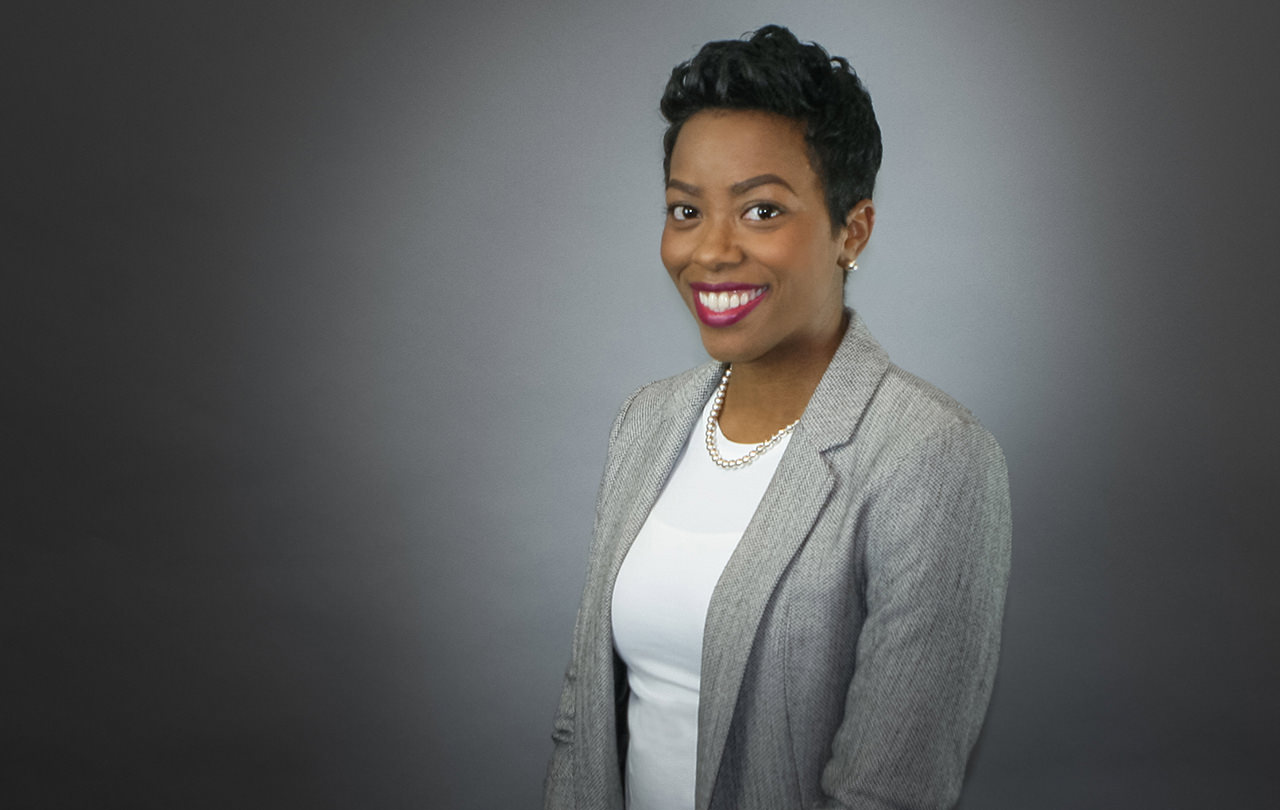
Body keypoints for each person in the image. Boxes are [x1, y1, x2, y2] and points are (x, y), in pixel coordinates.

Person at [544, 25, 1011, 810]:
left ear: (851, 231)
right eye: (685, 210)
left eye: (761, 210)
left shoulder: (931, 457)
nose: (711, 251)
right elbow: (581, 722)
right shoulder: (646, 423)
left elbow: (887, 792)